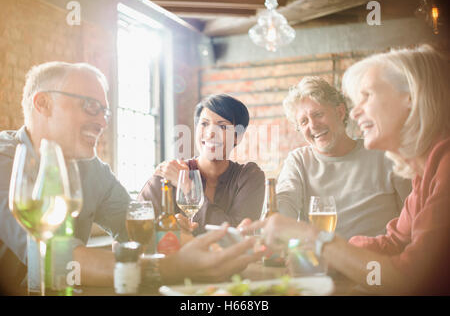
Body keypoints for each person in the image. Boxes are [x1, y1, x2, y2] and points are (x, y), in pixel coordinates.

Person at [0, 62, 262, 295]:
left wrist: (208, 253)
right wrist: (169, 267)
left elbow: (138, 229)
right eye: (91, 106)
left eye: (105, 111)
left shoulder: (93, 171)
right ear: (43, 103)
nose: (103, 121)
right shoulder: (4, 160)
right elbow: (53, 260)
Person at [243, 45, 450, 295]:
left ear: (410, 97)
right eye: (303, 121)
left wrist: (316, 241)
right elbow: (395, 242)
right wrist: (335, 257)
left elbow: (413, 279)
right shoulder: (425, 172)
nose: (356, 111)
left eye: (367, 96)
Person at [277, 76, 411, 239]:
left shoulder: (384, 154)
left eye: (318, 114)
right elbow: (285, 201)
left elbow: (416, 215)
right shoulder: (298, 161)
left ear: (340, 112)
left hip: (376, 260)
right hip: (320, 260)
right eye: (304, 121)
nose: (312, 125)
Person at [138, 94, 266, 235]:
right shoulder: (169, 174)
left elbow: (238, 235)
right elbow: (134, 234)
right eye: (204, 124)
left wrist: (188, 188)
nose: (210, 133)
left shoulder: (249, 177)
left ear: (238, 137)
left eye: (222, 126)